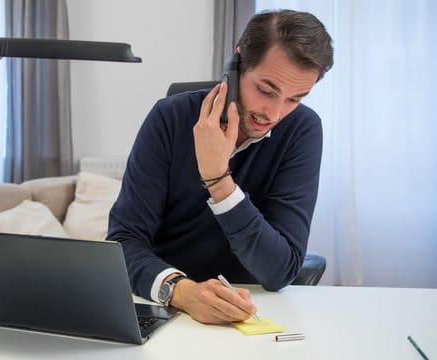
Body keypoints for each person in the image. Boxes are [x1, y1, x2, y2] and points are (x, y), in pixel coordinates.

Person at [107, 9, 333, 324]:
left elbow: (281, 270)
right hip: (166, 307)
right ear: (236, 66)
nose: (275, 113)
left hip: (247, 313)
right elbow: (123, 241)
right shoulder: (169, 118)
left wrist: (219, 180)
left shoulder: (302, 130)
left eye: (295, 99)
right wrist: (182, 292)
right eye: (266, 90)